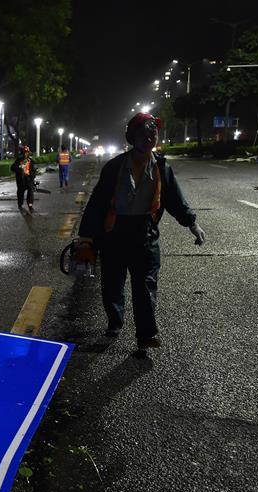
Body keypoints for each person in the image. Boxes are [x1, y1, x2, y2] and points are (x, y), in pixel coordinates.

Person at [76, 112, 205, 350]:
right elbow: (98, 203)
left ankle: (146, 334)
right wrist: (86, 237)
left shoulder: (162, 167)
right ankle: (115, 322)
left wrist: (192, 224)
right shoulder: (115, 167)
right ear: (132, 138)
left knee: (145, 284)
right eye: (143, 134)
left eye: (153, 133)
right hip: (114, 232)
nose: (149, 138)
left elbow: (175, 199)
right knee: (112, 283)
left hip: (145, 232)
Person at [11, 144, 36, 211]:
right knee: (20, 193)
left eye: (27, 152)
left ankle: (30, 205)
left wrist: (32, 177)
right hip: (21, 180)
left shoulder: (31, 161)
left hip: (29, 179)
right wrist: (19, 168)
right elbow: (12, 168)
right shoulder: (18, 161)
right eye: (25, 152)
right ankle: (20, 204)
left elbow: (33, 170)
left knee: (30, 193)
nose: (26, 154)